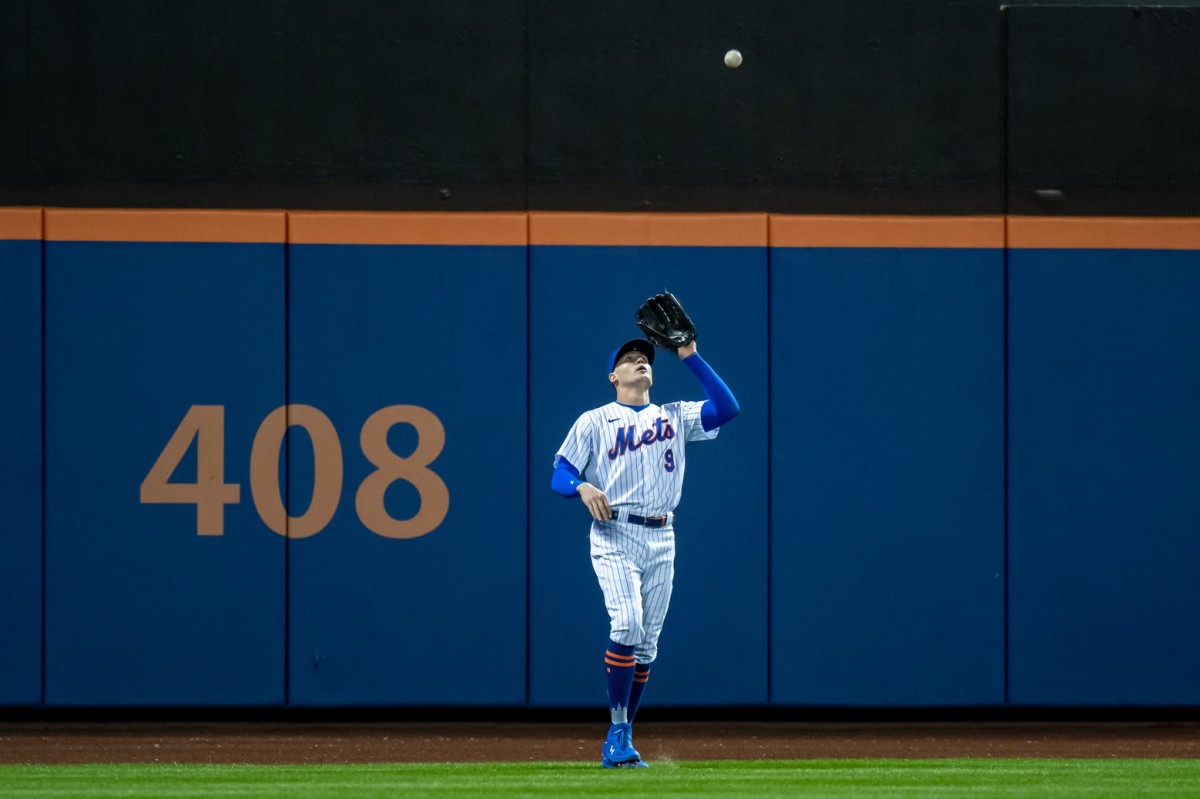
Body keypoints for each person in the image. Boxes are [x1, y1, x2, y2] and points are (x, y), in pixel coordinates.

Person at [551, 335, 739, 768]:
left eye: (644, 359)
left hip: (661, 536)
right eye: (629, 359)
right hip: (614, 532)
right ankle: (618, 732)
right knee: (628, 623)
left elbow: (728, 409)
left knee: (648, 647)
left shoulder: (673, 416)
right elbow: (560, 471)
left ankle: (622, 734)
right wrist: (580, 485)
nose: (639, 362)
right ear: (613, 376)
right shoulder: (594, 420)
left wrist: (690, 357)